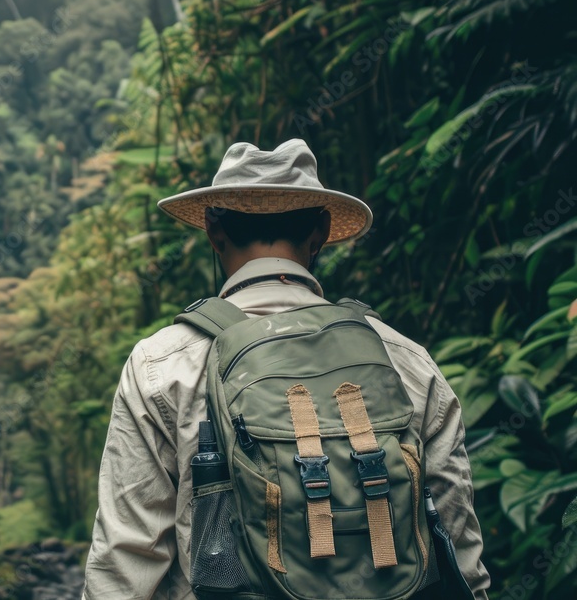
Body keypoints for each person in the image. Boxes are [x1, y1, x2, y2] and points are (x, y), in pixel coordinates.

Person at [80, 139, 490, 599]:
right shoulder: (405, 359)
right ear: (321, 230)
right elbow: (457, 549)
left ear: (214, 231)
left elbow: (126, 560)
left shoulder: (161, 365)